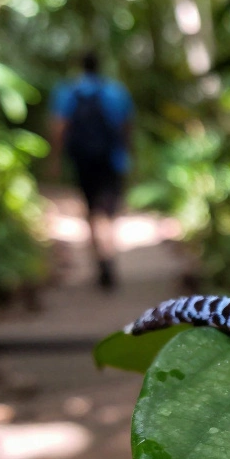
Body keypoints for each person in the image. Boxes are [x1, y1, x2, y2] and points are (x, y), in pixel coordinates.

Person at [48, 52, 134, 290]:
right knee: (108, 210)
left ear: (80, 66)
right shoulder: (116, 92)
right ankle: (109, 255)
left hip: (83, 161)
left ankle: (101, 258)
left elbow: (59, 127)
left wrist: (54, 159)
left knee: (92, 209)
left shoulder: (68, 92)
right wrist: (128, 155)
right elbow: (127, 127)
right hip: (112, 160)